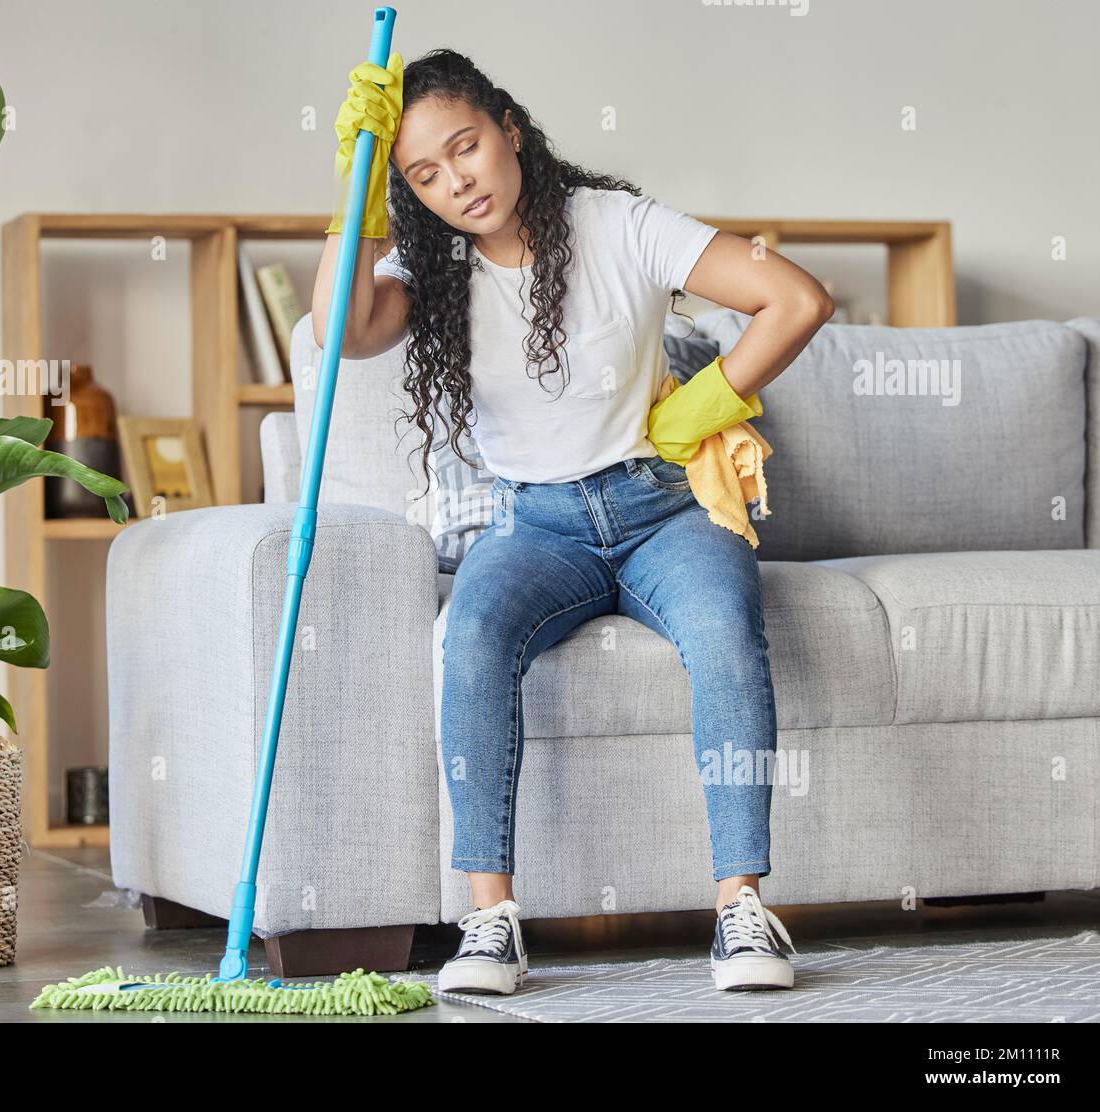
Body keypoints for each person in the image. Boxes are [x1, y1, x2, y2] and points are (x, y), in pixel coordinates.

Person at [313, 48, 833, 995]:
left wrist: (707, 400)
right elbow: (340, 331)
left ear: (509, 127)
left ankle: (743, 913)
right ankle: (490, 921)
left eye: (464, 148)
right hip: (535, 529)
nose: (454, 182)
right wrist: (355, 181)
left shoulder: (621, 225)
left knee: (726, 631)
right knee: (467, 633)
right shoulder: (431, 265)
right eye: (422, 174)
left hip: (664, 511)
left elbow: (795, 298)